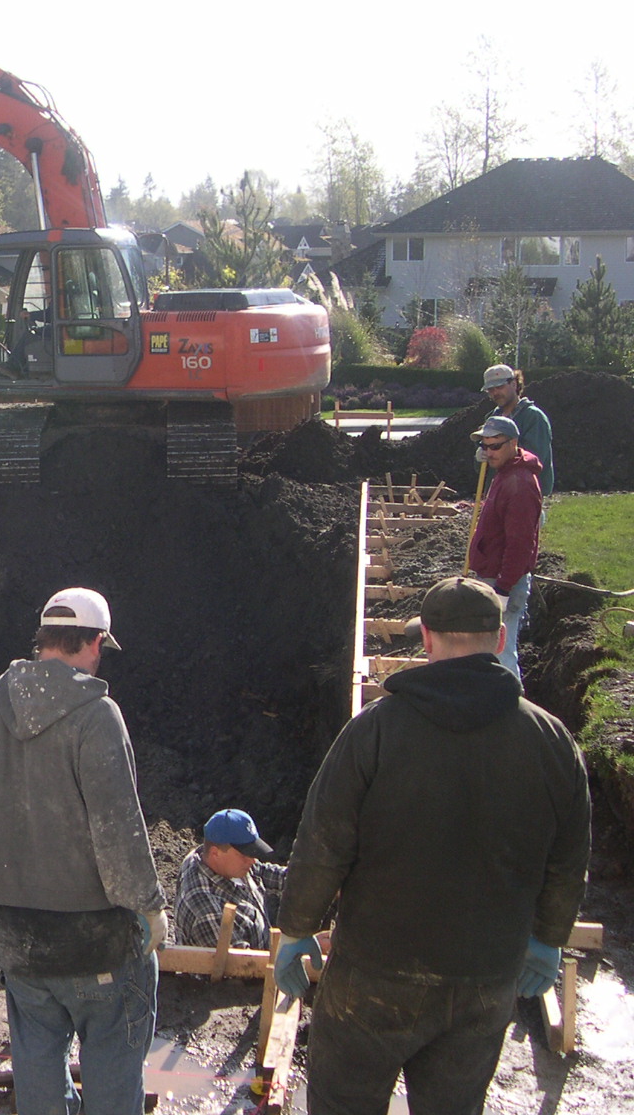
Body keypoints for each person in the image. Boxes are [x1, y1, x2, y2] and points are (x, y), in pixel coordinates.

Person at [275, 577, 590, 1115]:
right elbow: (569, 857)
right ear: (497, 640)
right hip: (485, 979)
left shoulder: (375, 732)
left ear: (425, 637)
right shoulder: (551, 741)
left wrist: (298, 928)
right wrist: (549, 937)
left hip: (374, 974)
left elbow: (323, 843)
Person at [0, 587, 165, 1115]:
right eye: (100, 649)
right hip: (98, 946)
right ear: (93, 643)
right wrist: (149, 906)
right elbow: (118, 831)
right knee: (114, 1063)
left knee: (39, 1074)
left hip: (18, 936)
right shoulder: (98, 716)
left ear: (44, 641)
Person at [468, 414, 543, 679]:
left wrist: (503, 587)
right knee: (491, 649)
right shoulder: (506, 472)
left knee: (501, 650)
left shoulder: (520, 484)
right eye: (484, 446)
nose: (489, 452)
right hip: (493, 575)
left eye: (495, 446)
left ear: (513, 443)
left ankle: (513, 704)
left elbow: (521, 544)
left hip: (504, 582)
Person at [174, 809, 286, 950]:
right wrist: (296, 947)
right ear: (215, 853)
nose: (253, 861)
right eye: (245, 854)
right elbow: (243, 965)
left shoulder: (220, 861)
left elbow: (265, 872)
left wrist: (311, 879)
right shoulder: (207, 912)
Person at [482, 364, 553, 497]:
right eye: (490, 390)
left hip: (526, 494)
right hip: (497, 493)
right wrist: (481, 455)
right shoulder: (491, 419)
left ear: (514, 384)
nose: (495, 393)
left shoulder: (533, 417)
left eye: (500, 387)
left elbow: (534, 460)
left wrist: (499, 452)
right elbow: (482, 468)